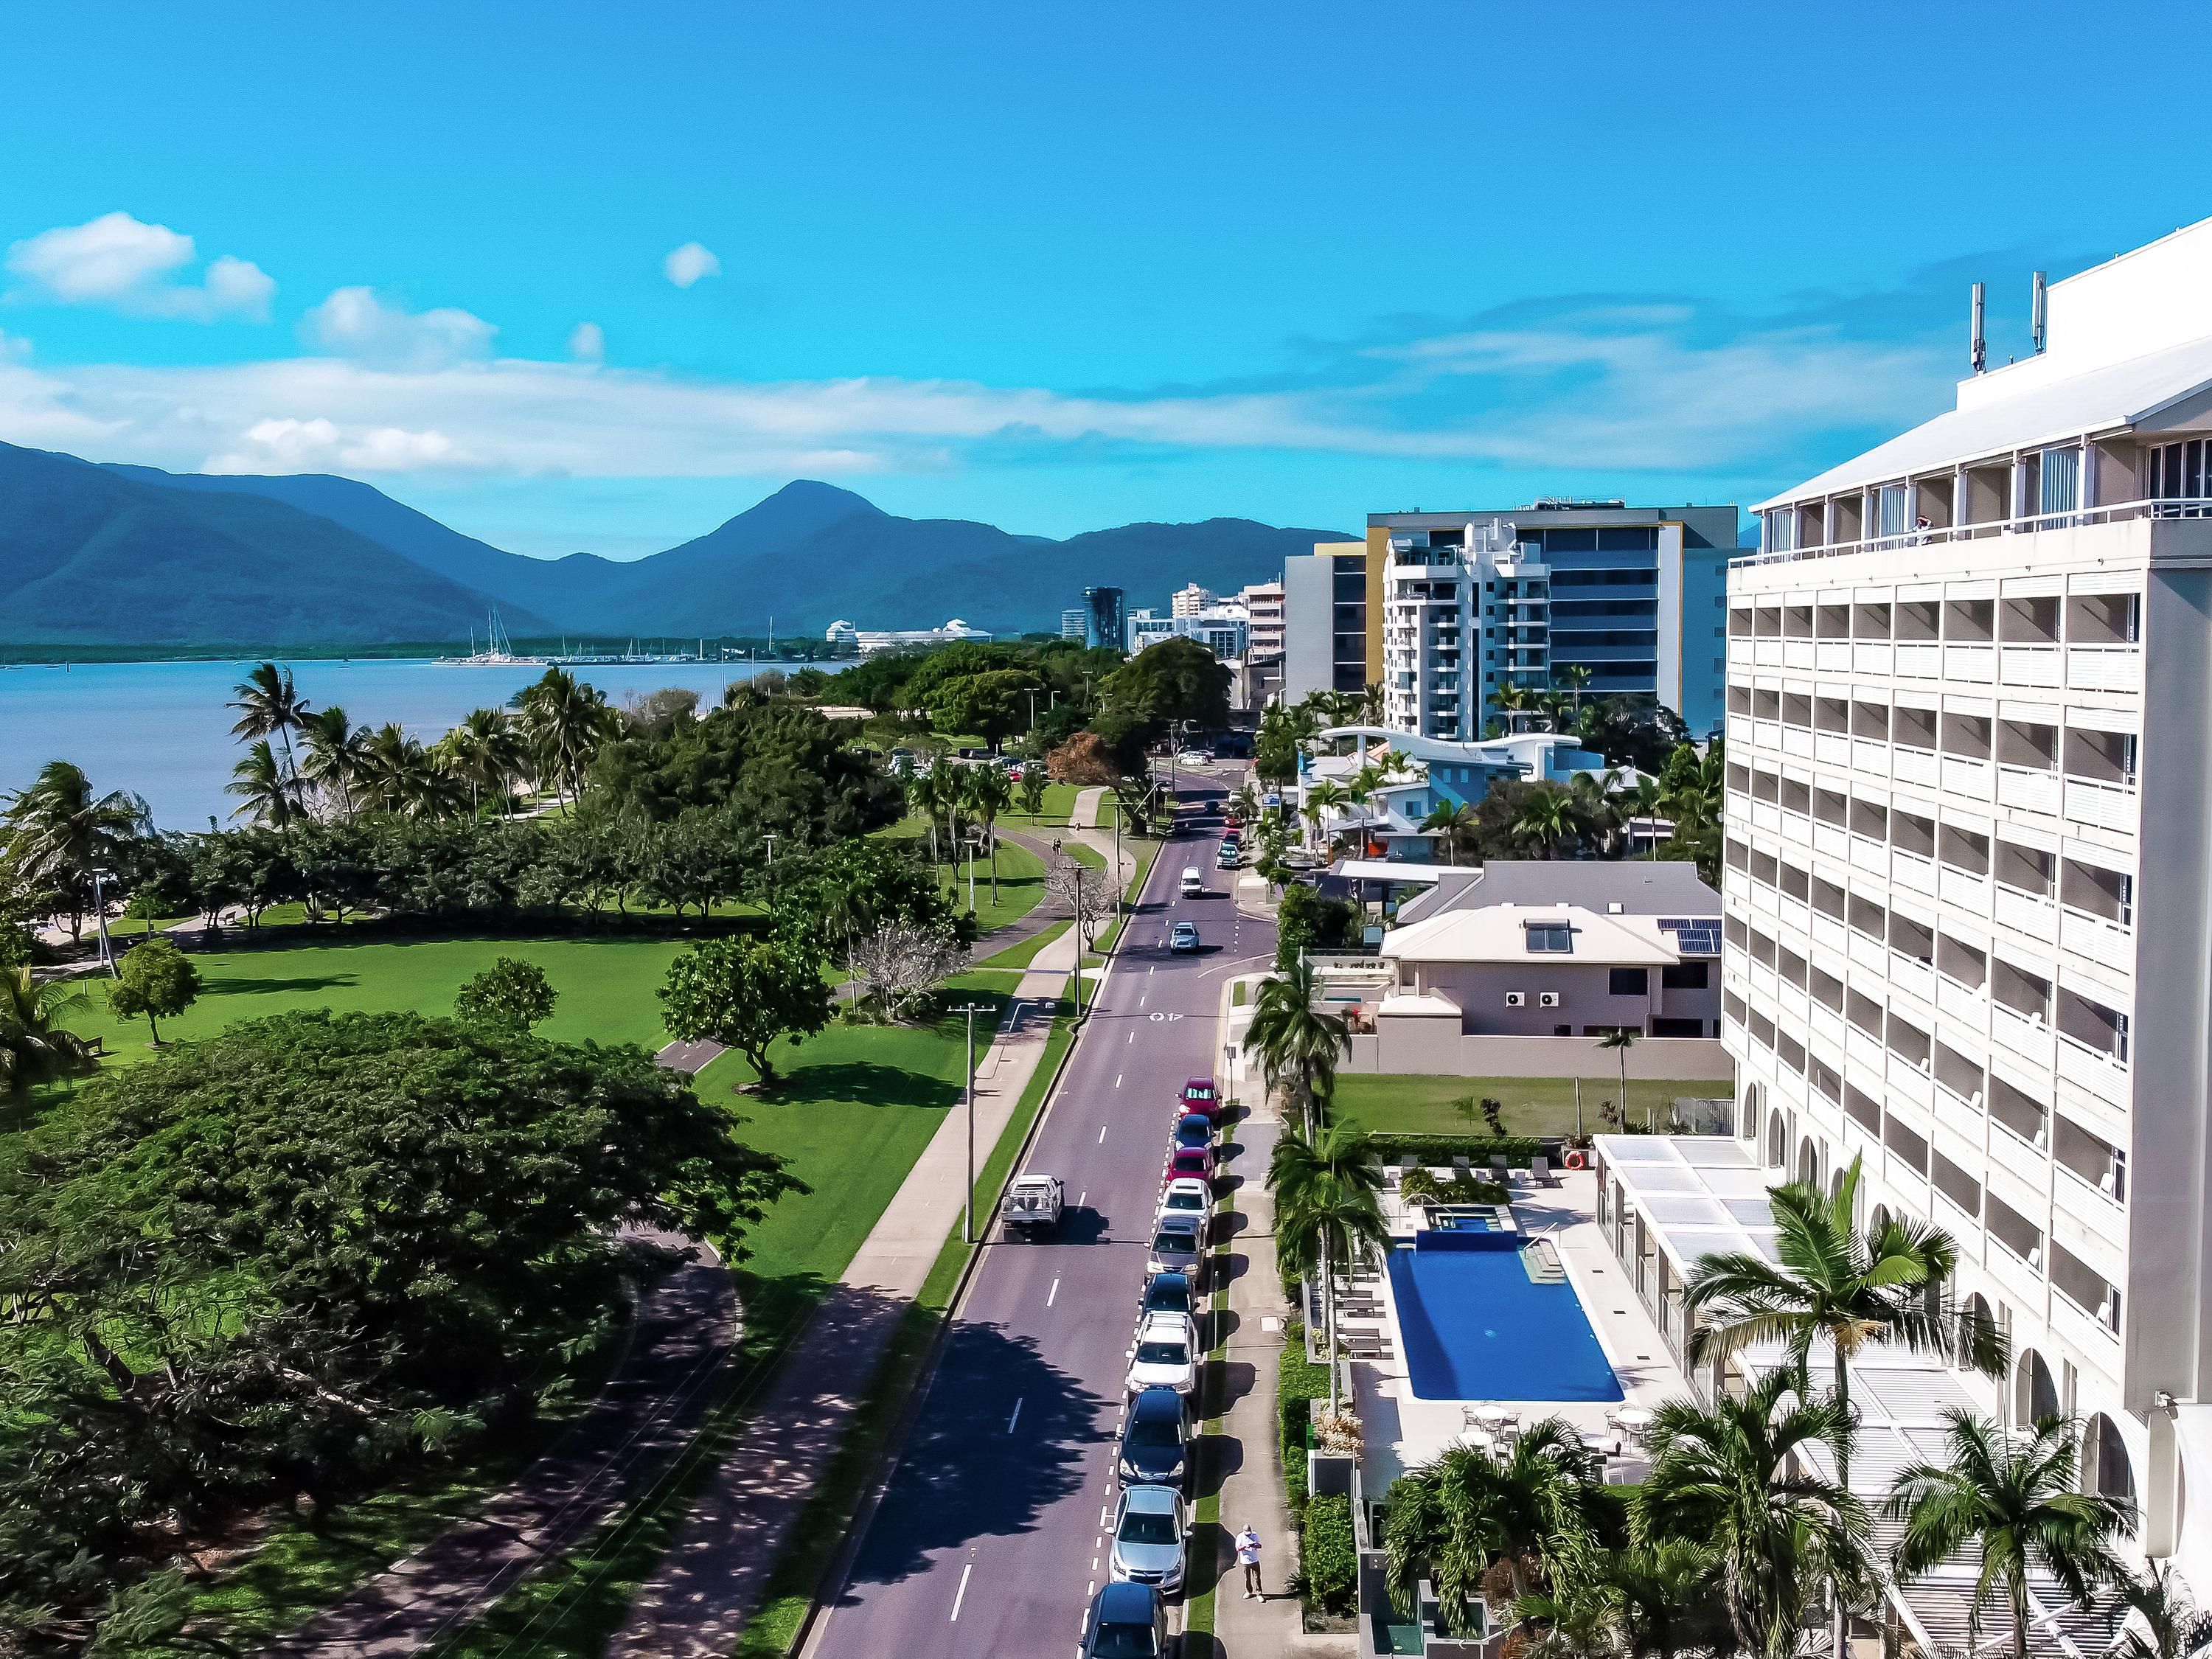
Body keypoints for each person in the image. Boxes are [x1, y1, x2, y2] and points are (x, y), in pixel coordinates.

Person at [1237, 1523, 1263, 1599]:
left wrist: (1253, 1545)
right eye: (1247, 1534)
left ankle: (1259, 1593)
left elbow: (1260, 1546)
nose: (1248, 1535)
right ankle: (1249, 1592)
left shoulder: (1254, 1535)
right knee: (1247, 1578)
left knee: (1257, 1578)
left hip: (1254, 1560)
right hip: (1245, 1561)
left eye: (1249, 1533)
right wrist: (1244, 1547)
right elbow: (1238, 1549)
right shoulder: (1240, 1537)